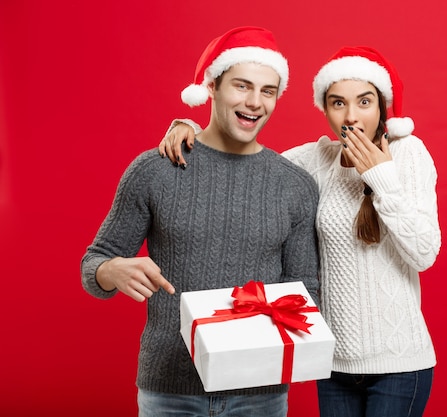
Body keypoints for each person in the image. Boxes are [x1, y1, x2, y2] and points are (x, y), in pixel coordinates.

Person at [160, 46, 441, 417]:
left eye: (364, 102)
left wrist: (379, 175)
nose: (352, 116)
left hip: (399, 363)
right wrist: (192, 129)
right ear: (324, 109)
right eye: (338, 103)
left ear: (382, 107)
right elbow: (245, 158)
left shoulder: (408, 154)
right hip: (333, 363)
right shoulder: (313, 160)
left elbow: (424, 252)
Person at [81, 26, 319, 417]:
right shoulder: (155, 170)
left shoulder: (293, 185)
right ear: (212, 85)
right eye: (242, 86)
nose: (255, 102)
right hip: (169, 390)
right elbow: (94, 263)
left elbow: (308, 288)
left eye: (268, 91)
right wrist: (110, 270)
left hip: (259, 394)